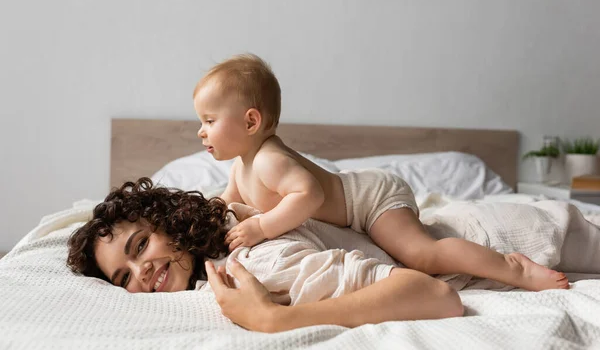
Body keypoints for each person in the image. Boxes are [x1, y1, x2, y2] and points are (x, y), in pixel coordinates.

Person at [192, 53, 569, 292]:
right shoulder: (243, 166)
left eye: (209, 120)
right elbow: (227, 203)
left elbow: (310, 195)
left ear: (251, 121)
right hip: (364, 199)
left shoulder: (268, 159)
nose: (201, 131)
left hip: (373, 200)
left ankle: (513, 268)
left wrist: (261, 227)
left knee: (422, 256)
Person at [66, 178, 463, 332]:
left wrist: (275, 318)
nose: (142, 271)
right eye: (123, 278)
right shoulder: (217, 226)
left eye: (139, 246)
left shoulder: (255, 263)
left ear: (166, 223)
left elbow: (436, 296)